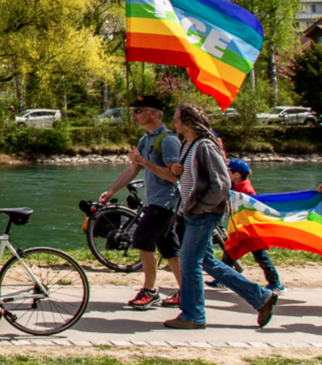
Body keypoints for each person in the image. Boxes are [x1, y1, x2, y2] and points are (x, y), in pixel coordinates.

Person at [162, 104, 278, 331]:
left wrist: (202, 207)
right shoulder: (189, 145)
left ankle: (193, 315)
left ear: (188, 123)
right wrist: (177, 170)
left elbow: (222, 184)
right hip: (192, 212)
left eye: (176, 120)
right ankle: (261, 297)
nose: (173, 124)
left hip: (202, 214)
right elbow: (192, 176)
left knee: (188, 262)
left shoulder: (205, 145)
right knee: (206, 261)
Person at [98, 96, 183, 310]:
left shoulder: (168, 140)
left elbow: (174, 176)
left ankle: (150, 291)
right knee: (169, 248)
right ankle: (187, 291)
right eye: (134, 111)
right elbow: (132, 170)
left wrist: (144, 161)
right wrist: (112, 190)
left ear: (153, 113)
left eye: (138, 110)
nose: (134, 115)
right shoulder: (144, 140)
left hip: (166, 202)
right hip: (155, 201)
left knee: (142, 238)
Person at [218, 160, 283, 292]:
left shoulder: (246, 190)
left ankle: (275, 283)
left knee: (260, 256)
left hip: (250, 230)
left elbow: (252, 209)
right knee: (229, 251)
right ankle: (223, 280)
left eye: (228, 171)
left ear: (236, 174)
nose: (226, 173)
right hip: (240, 227)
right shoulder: (234, 186)